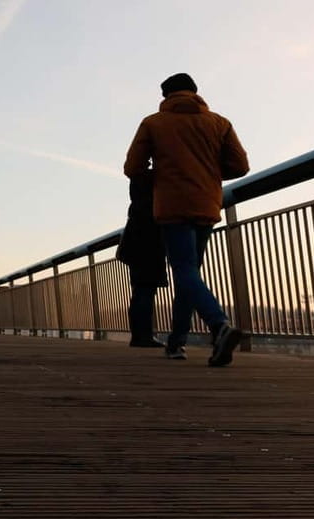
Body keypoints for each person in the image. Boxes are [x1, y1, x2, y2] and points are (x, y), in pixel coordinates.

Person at [124, 73, 249, 366]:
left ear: (165, 96)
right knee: (189, 272)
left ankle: (219, 324)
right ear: (195, 92)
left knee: (184, 270)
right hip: (207, 204)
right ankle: (176, 342)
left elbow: (133, 167)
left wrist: (160, 176)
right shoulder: (219, 123)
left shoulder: (154, 123)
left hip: (172, 205)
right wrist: (208, 175)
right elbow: (240, 166)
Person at [117, 169, 167, 348]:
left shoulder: (137, 194)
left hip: (136, 245)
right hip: (150, 244)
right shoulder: (153, 202)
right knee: (146, 290)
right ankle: (144, 335)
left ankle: (139, 335)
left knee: (140, 290)